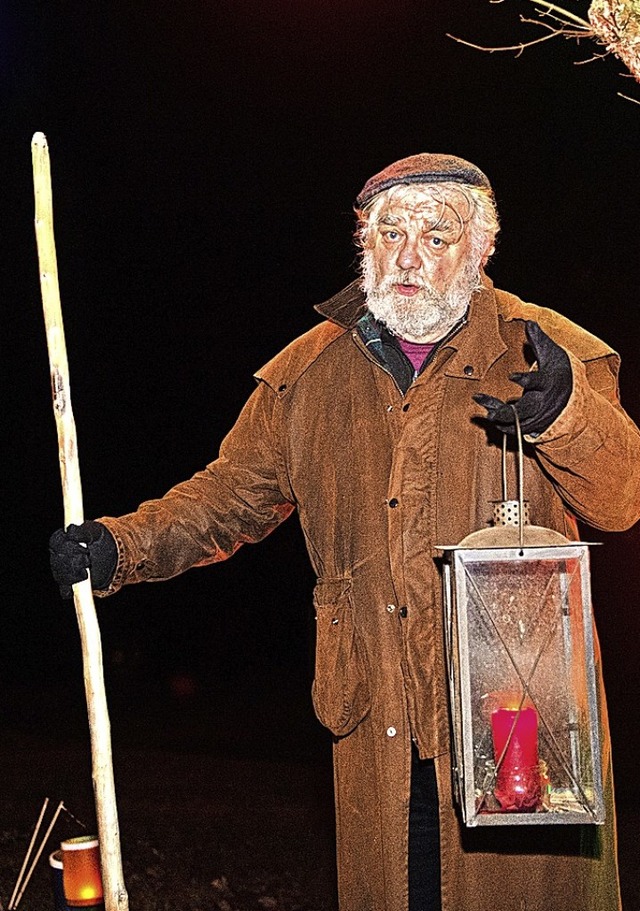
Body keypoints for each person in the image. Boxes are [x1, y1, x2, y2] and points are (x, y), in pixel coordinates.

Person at [50, 153, 640, 911]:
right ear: (363, 246)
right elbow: (228, 498)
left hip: (517, 731)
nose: (409, 255)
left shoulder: (543, 351)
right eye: (390, 233)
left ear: (482, 246)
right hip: (379, 729)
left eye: (436, 234)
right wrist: (119, 545)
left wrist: (566, 415)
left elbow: (621, 496)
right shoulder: (310, 373)